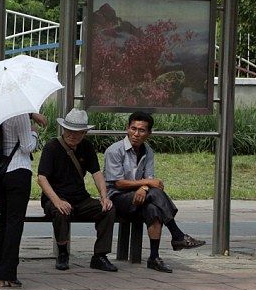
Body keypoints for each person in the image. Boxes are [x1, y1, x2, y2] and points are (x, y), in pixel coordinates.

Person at [103, 111, 205, 273]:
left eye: (141, 130)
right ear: (127, 129)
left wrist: (144, 187)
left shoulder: (148, 151)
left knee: (153, 209)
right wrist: (147, 183)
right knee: (155, 193)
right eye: (133, 129)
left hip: (141, 197)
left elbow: (149, 179)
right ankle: (177, 235)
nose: (136, 134)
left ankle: (154, 257)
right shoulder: (114, 151)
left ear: (149, 133)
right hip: (117, 198)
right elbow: (118, 183)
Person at [36, 109, 118, 274]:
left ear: (84, 133)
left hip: (80, 198)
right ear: (63, 129)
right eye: (69, 131)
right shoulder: (52, 146)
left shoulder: (87, 147)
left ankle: (100, 256)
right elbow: (41, 178)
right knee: (61, 211)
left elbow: (96, 173)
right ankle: (63, 253)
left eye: (77, 133)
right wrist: (57, 201)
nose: (72, 135)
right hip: (55, 198)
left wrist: (104, 197)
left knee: (108, 210)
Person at [0, 111, 46, 287]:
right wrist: (33, 132)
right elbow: (27, 147)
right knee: (14, 224)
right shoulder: (20, 115)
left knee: (3, 221)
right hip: (18, 171)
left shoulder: (0, 113)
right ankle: (7, 273)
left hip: (1, 173)